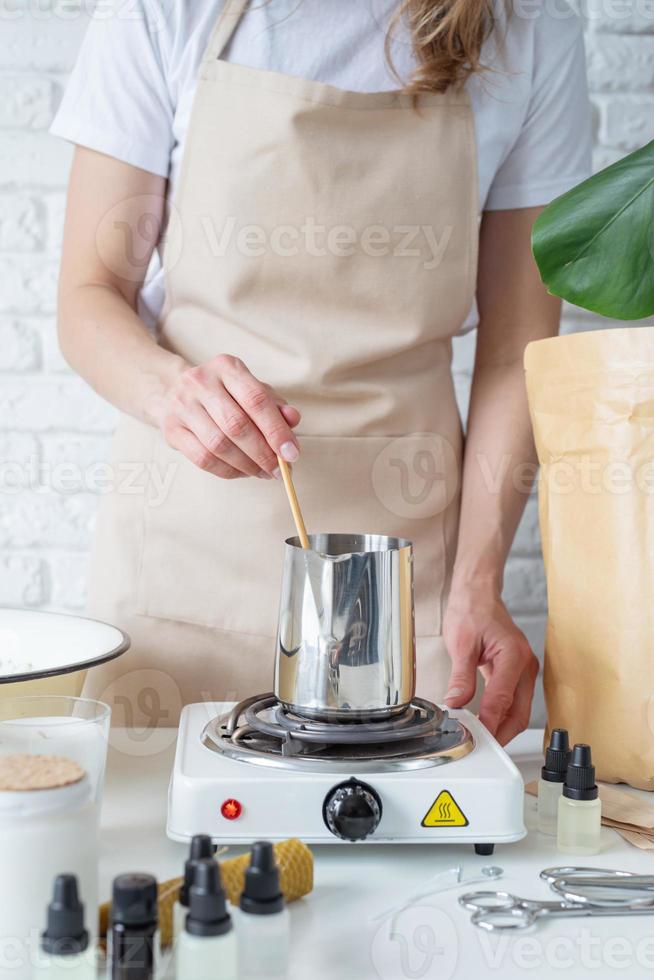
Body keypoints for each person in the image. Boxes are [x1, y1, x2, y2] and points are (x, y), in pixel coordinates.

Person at [51, 0, 592, 739]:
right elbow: (90, 296)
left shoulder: (530, 29)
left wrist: (477, 584)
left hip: (403, 595)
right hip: (182, 561)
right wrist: (174, 394)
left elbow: (516, 351)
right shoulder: (162, 12)